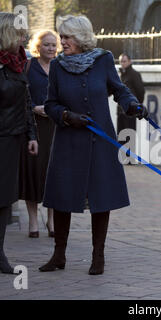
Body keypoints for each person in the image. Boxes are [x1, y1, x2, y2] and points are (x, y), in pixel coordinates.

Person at [39, 15, 148, 275]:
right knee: (62, 197)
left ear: (82, 38)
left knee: (101, 198)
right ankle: (59, 255)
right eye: (61, 37)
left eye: (67, 37)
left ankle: (98, 256)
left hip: (100, 140)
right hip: (68, 140)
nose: (62, 42)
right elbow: (51, 104)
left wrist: (131, 104)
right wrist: (66, 116)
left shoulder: (103, 60)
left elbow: (118, 89)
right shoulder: (57, 67)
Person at [0, 12, 38, 274]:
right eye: (20, 32)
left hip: (11, 141)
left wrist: (31, 135)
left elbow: (26, 101)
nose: (24, 37)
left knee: (4, 200)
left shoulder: (20, 63)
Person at [19, 30, 61, 238]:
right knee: (33, 172)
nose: (51, 48)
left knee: (52, 173)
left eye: (54, 45)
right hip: (33, 126)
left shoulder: (60, 67)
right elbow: (21, 95)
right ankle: (33, 221)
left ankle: (52, 220)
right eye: (47, 44)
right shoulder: (28, 66)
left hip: (55, 126)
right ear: (38, 46)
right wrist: (34, 108)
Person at [117, 53, 145, 162]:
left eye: (124, 61)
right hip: (120, 110)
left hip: (130, 110)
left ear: (130, 61)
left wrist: (137, 107)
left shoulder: (134, 74)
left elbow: (140, 91)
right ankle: (121, 157)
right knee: (121, 134)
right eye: (121, 61)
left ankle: (130, 159)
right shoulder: (121, 75)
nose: (122, 63)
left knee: (129, 133)